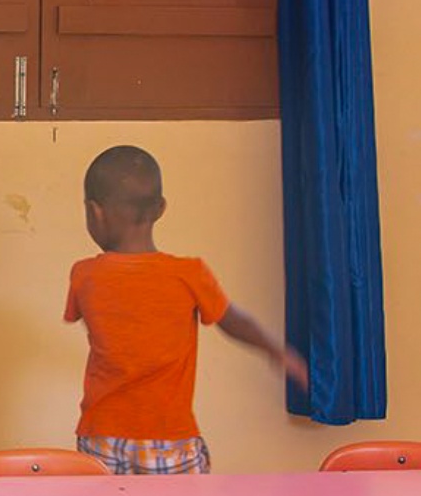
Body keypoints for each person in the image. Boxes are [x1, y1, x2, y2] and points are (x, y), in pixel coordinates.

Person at [65, 146, 309, 474]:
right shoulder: (189, 274)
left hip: (101, 435)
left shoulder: (84, 275)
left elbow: (106, 325)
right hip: (169, 437)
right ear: (160, 209)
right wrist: (276, 350)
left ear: (94, 212)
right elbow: (234, 321)